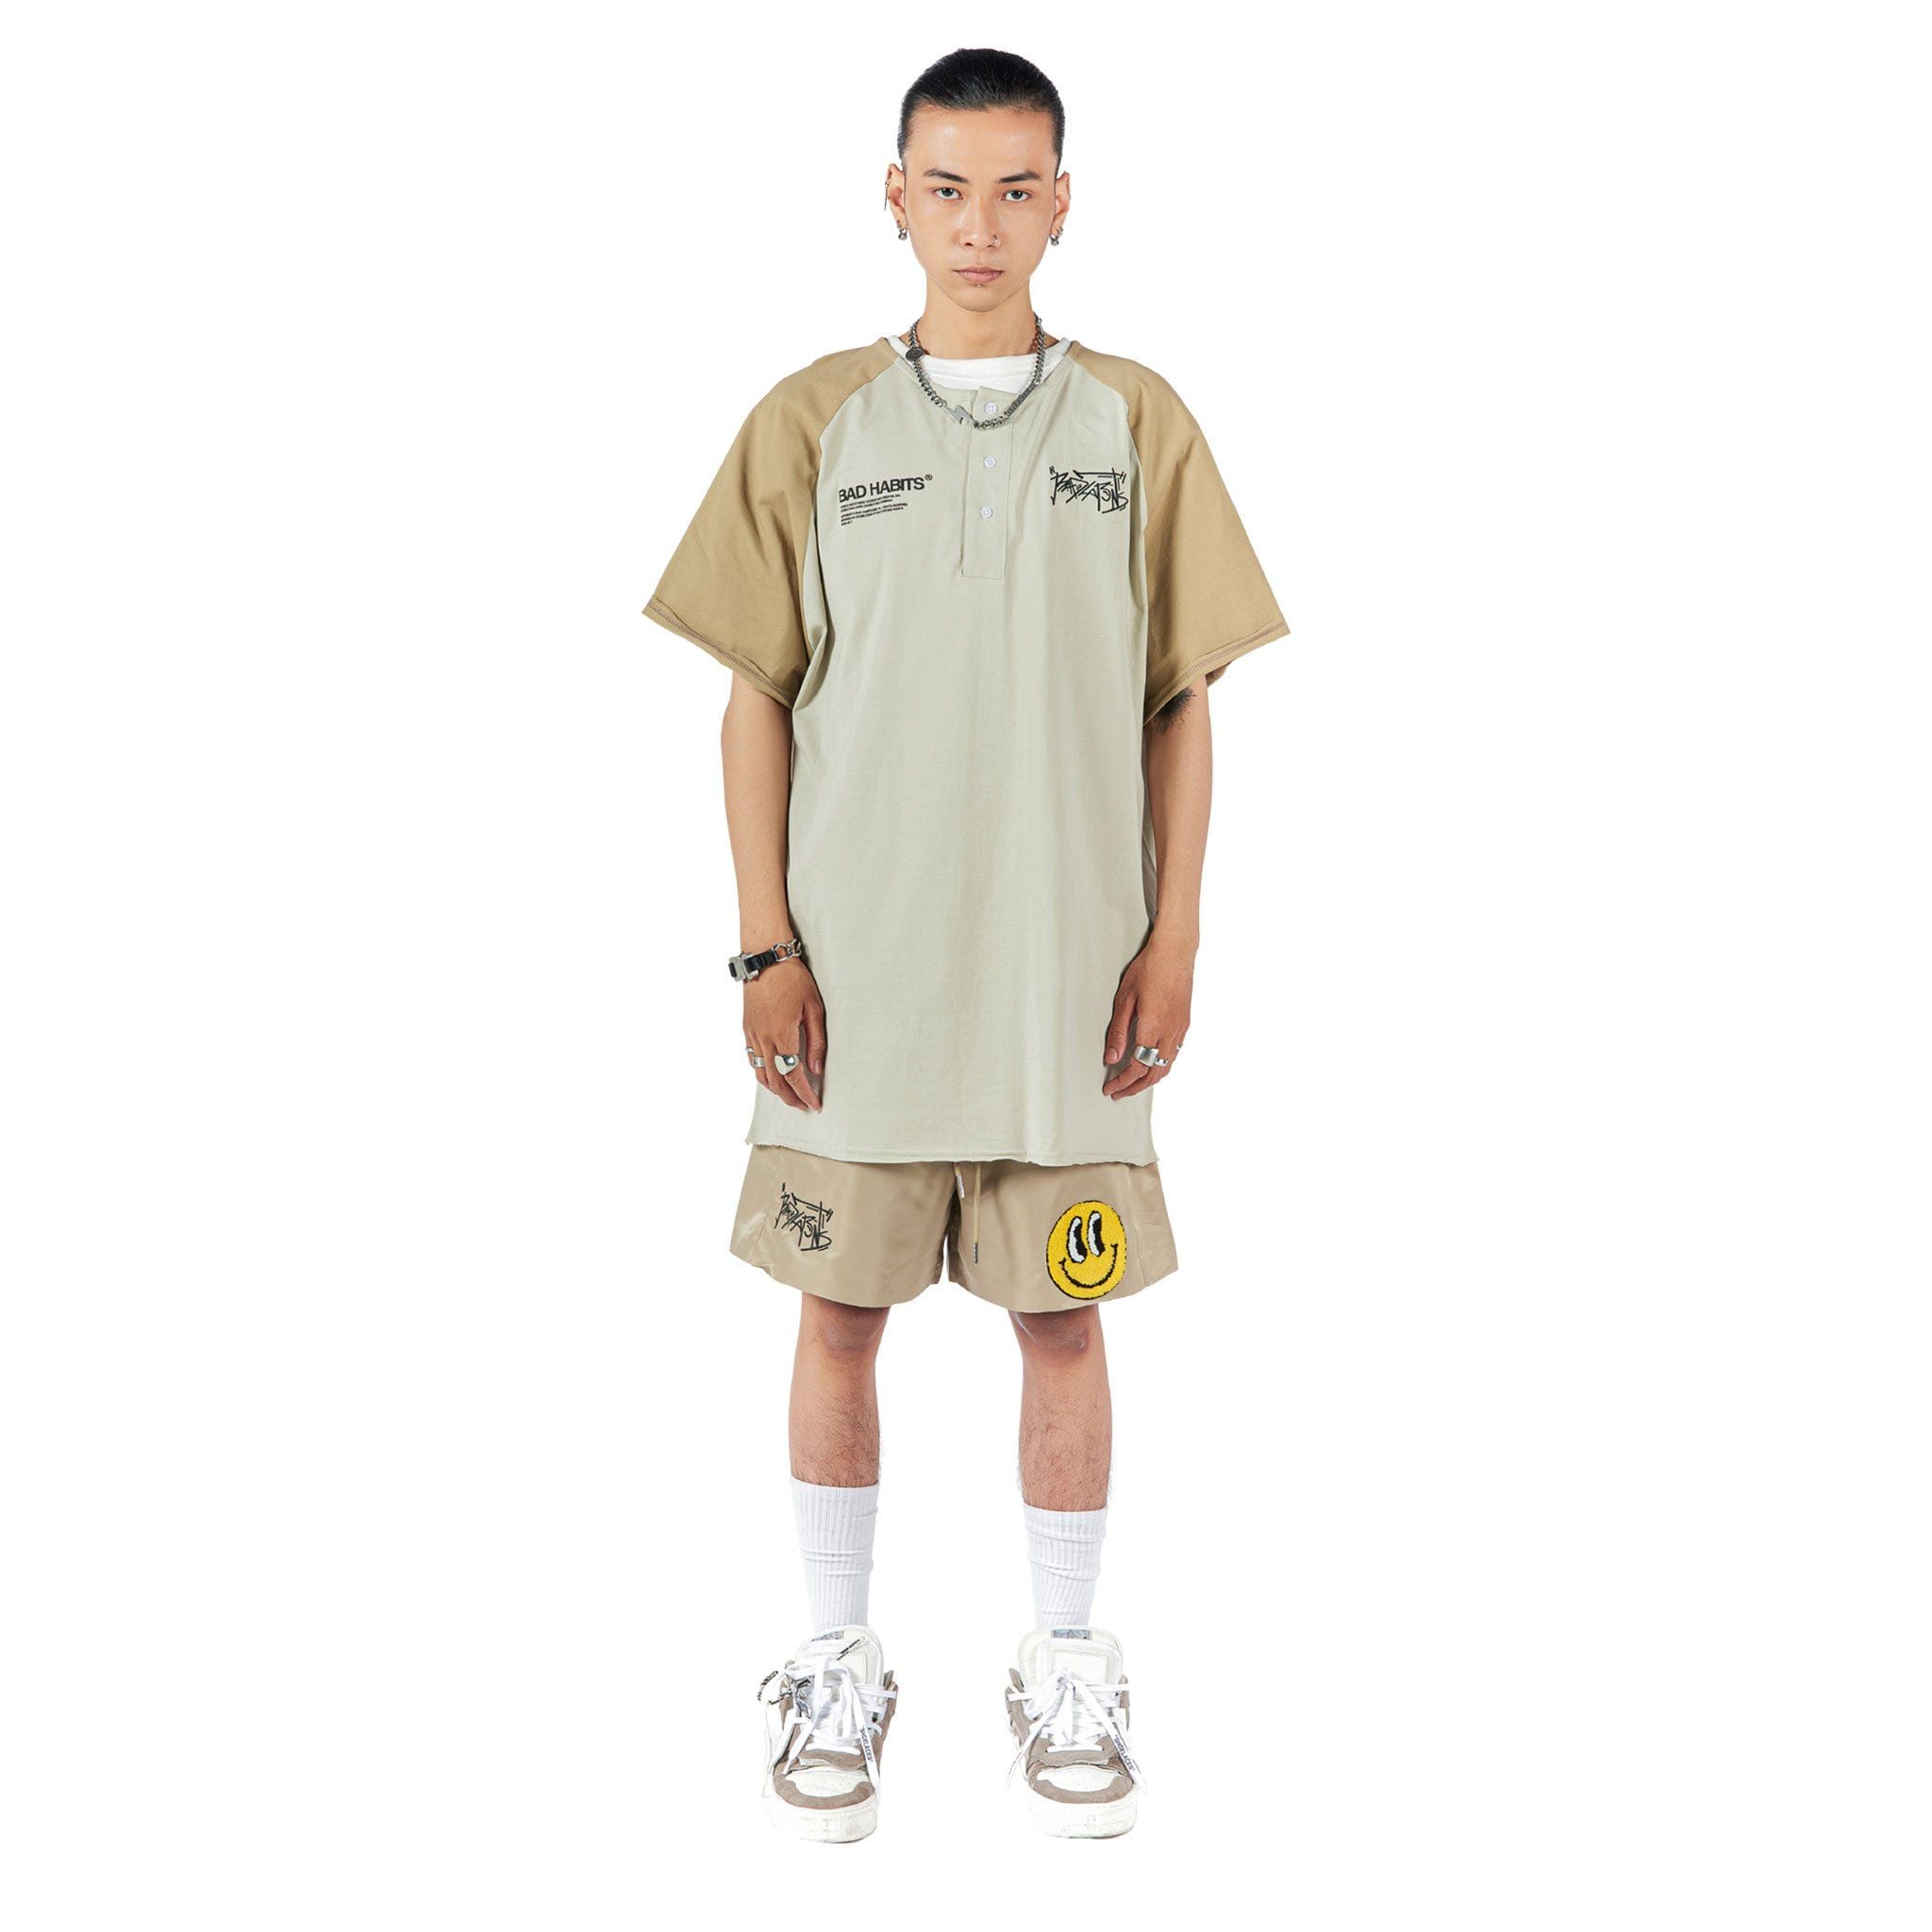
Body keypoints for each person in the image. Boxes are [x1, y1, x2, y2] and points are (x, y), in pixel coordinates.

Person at [643, 47, 1288, 1841]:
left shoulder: (1139, 425)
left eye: (1015, 189)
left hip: (1067, 992)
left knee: (1063, 1320)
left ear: (1063, 203)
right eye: (947, 188)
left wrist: (1174, 939)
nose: (980, 225)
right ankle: (834, 1662)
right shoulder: (813, 423)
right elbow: (753, 698)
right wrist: (765, 947)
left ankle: (1067, 1660)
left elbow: (1183, 703)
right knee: (837, 1313)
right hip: (860, 988)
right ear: (896, 198)